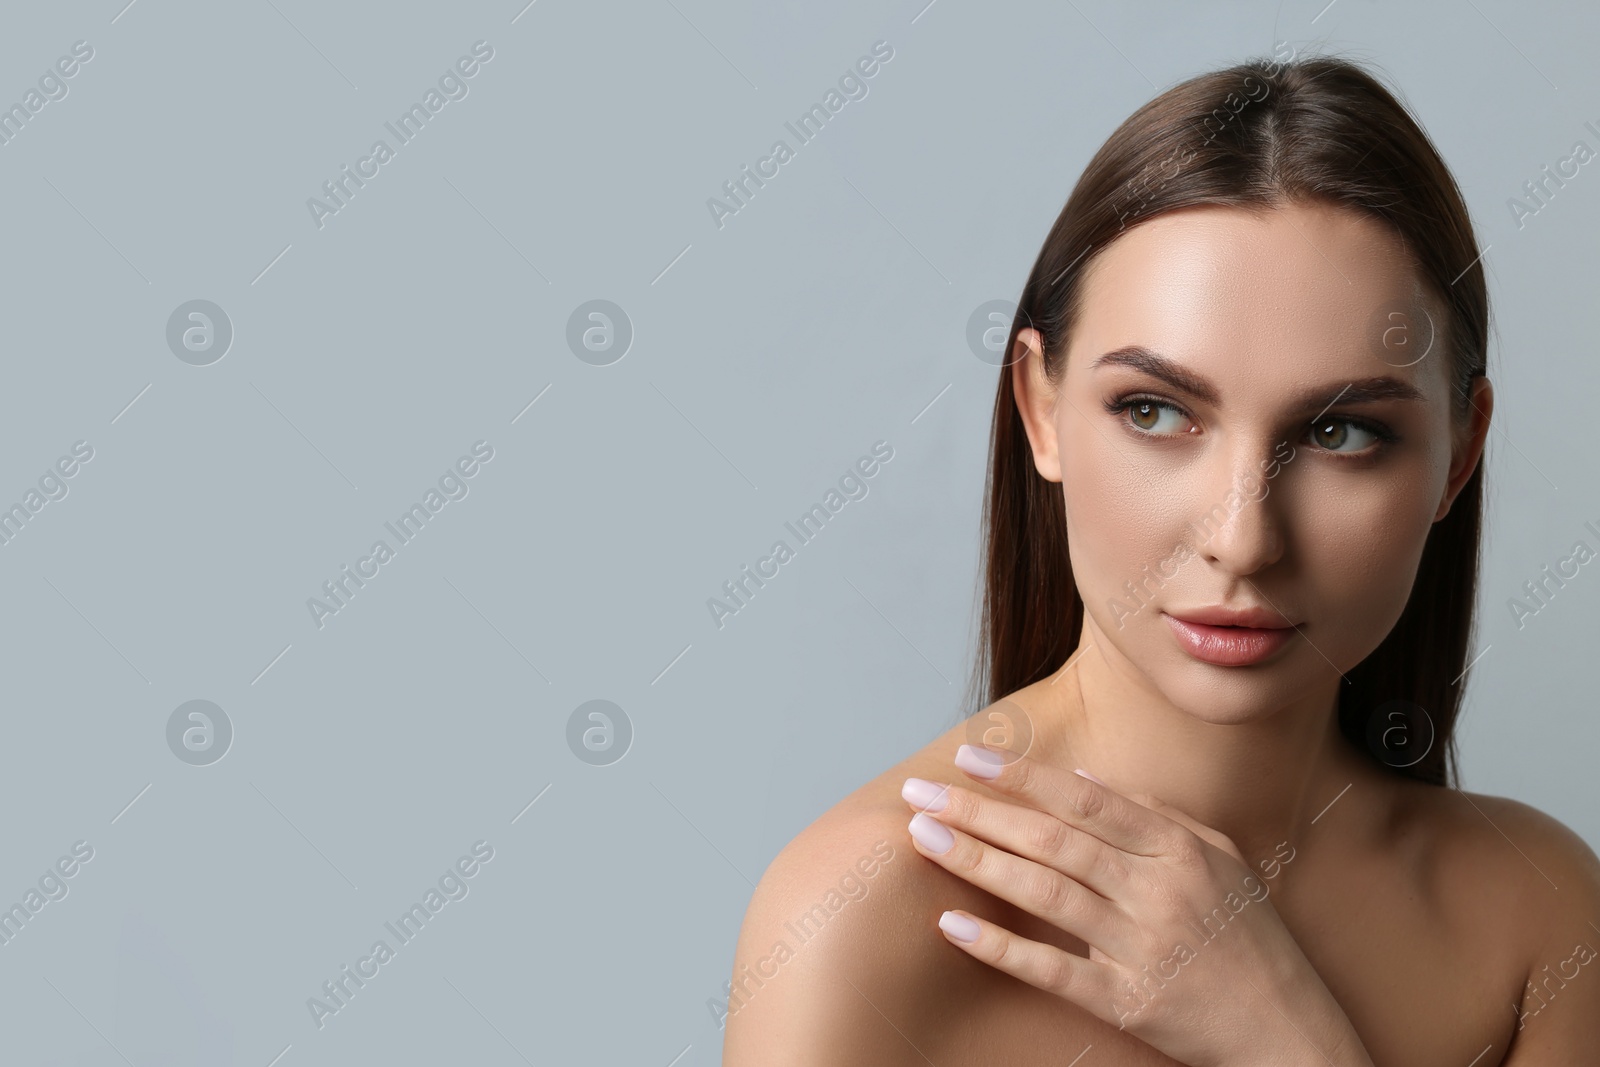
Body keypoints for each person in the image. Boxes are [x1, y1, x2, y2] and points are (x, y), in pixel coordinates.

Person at [721, 51, 1600, 1065]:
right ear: (1040, 412)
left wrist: (1287, 1039)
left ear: (1459, 456)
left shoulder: (1536, 917)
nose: (1242, 536)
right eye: (1155, 411)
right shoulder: (862, 915)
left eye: (1341, 433)